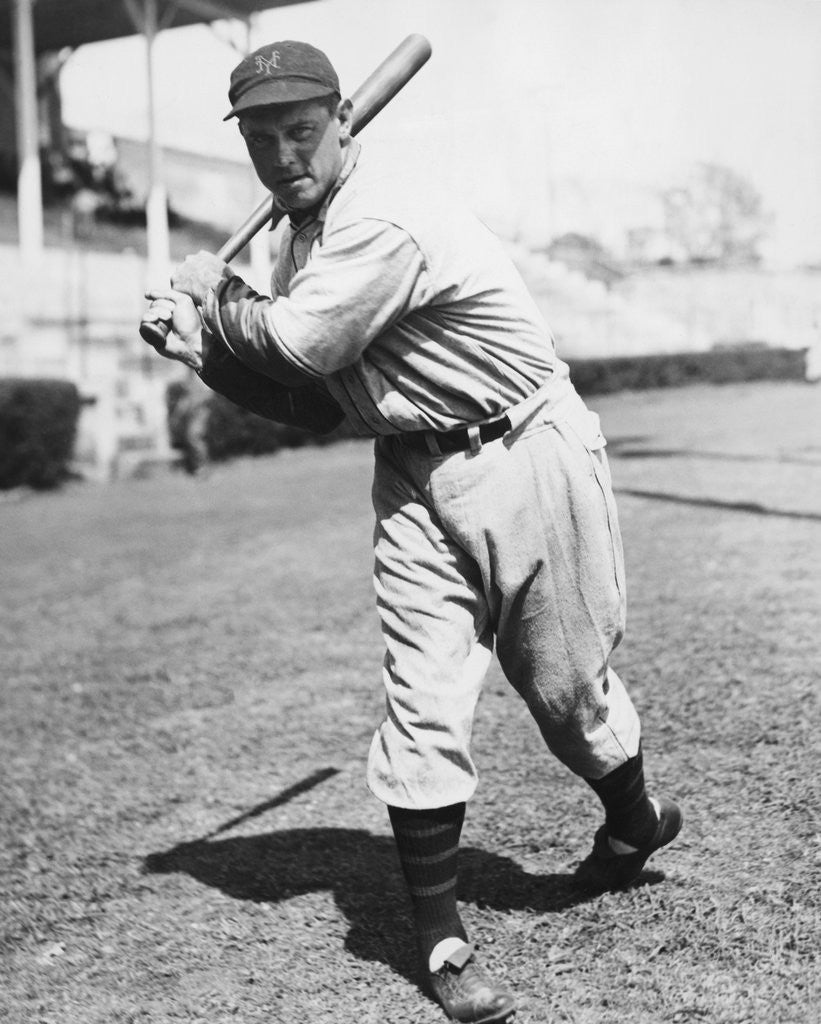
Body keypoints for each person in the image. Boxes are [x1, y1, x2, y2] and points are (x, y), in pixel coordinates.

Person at [143, 40, 683, 1024]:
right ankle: (440, 939)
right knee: (422, 697)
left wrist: (212, 296)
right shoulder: (297, 245)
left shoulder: (382, 215)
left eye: (300, 132)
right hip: (410, 470)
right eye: (261, 141)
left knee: (565, 693)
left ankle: (633, 818)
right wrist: (201, 350)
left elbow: (300, 342)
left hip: (525, 447)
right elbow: (316, 403)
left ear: (344, 121)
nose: (283, 159)